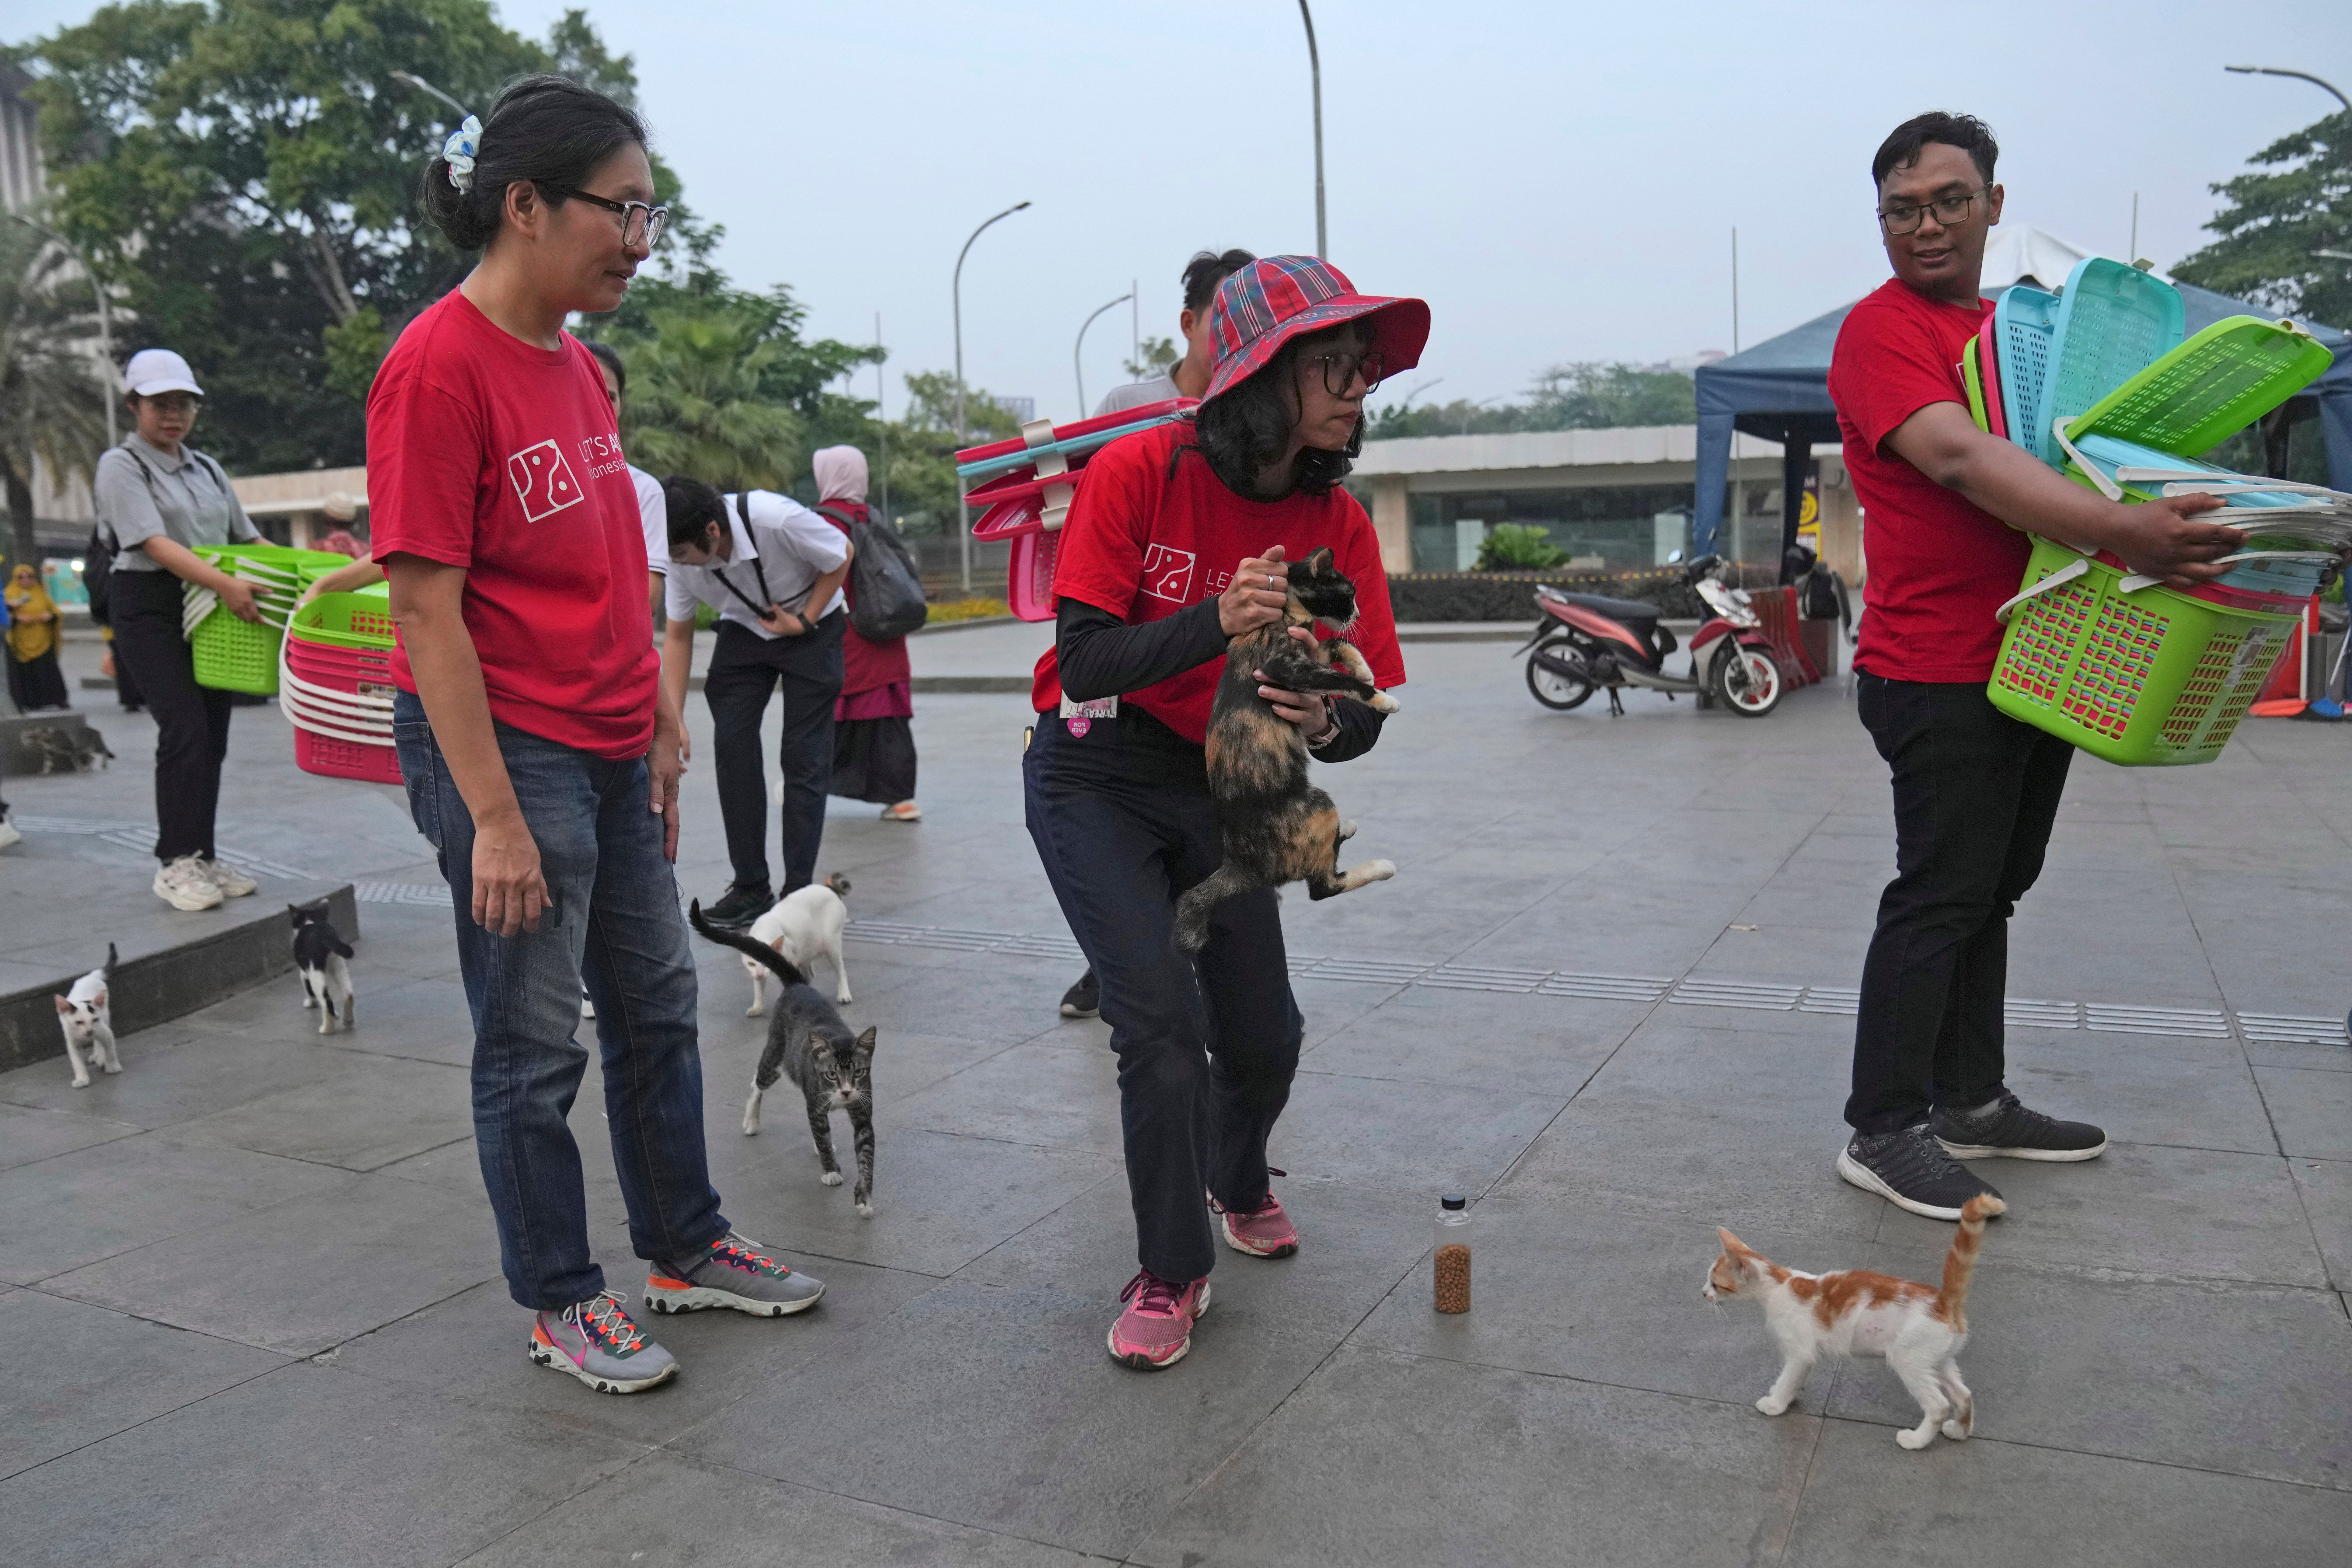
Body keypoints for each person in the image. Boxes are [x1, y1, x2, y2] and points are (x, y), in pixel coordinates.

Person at [373, 73, 824, 1398]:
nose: (640, 240)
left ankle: (684, 1243)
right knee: (533, 1042)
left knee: (657, 1004)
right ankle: (562, 1297)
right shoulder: (433, 369)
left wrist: (657, 727)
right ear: (526, 205)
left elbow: (607, 568)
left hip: (609, 740)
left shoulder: (575, 365)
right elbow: (425, 611)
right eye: (622, 211)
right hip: (504, 750)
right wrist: (494, 820)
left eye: (649, 213)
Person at [1827, 112, 2244, 1221]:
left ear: (1992, 206)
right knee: (1939, 891)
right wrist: (2121, 532)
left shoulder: (2007, 332)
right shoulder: (1878, 331)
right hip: (1931, 664)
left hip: (2032, 652)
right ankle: (1882, 1125)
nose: (1924, 226)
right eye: (1900, 211)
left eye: (1946, 202)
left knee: (1992, 888)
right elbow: (1960, 458)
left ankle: (1968, 1099)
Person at [1025, 255, 1419, 1369]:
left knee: (1262, 1037)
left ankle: (1235, 1174)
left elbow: (1366, 705)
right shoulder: (1138, 469)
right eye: (1333, 366)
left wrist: (1324, 715)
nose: (1355, 389)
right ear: (1258, 374)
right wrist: (1215, 618)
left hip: (1225, 780)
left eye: (1363, 369)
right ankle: (1170, 1267)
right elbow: (1082, 658)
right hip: (1096, 771)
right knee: (1156, 1023)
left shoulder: (1335, 520)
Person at [1059, 245, 1258, 1022]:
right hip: (1127, 654)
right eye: (1224, 321)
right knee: (1115, 845)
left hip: (1212, 689)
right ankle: (1113, 966)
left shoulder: (1263, 420)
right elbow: (1085, 509)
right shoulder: (1131, 408)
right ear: (1188, 323)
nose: (1238, 341)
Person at [94, 347, 269, 913]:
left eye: (184, 404)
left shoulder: (208, 468)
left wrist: (314, 576)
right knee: (185, 728)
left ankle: (203, 855)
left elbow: (249, 539)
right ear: (134, 406)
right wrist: (227, 585)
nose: (174, 415)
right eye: (160, 404)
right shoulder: (122, 465)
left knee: (213, 734)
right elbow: (152, 543)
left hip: (209, 602)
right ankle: (175, 862)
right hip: (149, 604)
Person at [658, 476, 853, 928]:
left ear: (712, 530)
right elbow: (678, 635)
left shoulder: (774, 518)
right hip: (745, 628)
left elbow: (842, 554)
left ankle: (798, 892)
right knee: (732, 748)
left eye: (681, 553)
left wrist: (804, 621)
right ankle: (750, 887)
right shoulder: (678, 557)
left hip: (811, 623)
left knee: (803, 757)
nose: (675, 562)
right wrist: (673, 718)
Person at [810, 445, 919, 821]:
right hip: (887, 631)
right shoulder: (872, 515)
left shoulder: (824, 521)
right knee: (889, 721)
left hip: (848, 634)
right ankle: (900, 799)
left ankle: (810, 786)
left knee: (831, 717)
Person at [580, 339, 670, 609]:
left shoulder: (645, 490)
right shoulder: (535, 478)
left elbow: (649, 598)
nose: (599, 406)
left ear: (621, 404)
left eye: (609, 397)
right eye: (585, 392)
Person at [5, 564, 69, 712]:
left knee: (47, 671)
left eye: (30, 577)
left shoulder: (40, 593)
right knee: (25, 674)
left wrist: (50, 616)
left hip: (43, 640)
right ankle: (29, 703)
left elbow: (55, 611)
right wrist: (17, 618)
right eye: (21, 577)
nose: (26, 580)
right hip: (20, 642)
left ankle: (57, 700)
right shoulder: (10, 594)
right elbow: (4, 615)